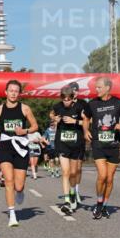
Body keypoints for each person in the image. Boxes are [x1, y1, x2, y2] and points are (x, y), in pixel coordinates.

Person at [0, 79, 38, 227]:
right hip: (5, 147)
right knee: (8, 179)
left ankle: (20, 192)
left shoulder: (25, 109)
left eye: (16, 91)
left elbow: (35, 126)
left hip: (20, 147)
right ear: (6, 92)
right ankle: (12, 214)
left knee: (19, 186)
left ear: (19, 94)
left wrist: (25, 130)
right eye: (11, 91)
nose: (13, 93)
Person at [83, 76, 120, 220]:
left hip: (114, 145)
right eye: (96, 87)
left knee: (109, 179)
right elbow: (86, 119)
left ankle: (104, 205)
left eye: (99, 87)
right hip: (98, 144)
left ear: (107, 88)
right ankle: (98, 202)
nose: (96, 89)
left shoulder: (118, 102)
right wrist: (86, 131)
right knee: (102, 175)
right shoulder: (92, 104)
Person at [50, 83, 87, 214]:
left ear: (72, 97)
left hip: (76, 144)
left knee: (73, 173)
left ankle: (73, 192)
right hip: (62, 143)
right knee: (65, 172)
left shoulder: (80, 107)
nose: (66, 101)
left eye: (68, 98)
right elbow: (52, 116)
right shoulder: (57, 106)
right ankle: (67, 200)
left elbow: (88, 121)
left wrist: (75, 121)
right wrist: (54, 119)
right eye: (63, 98)